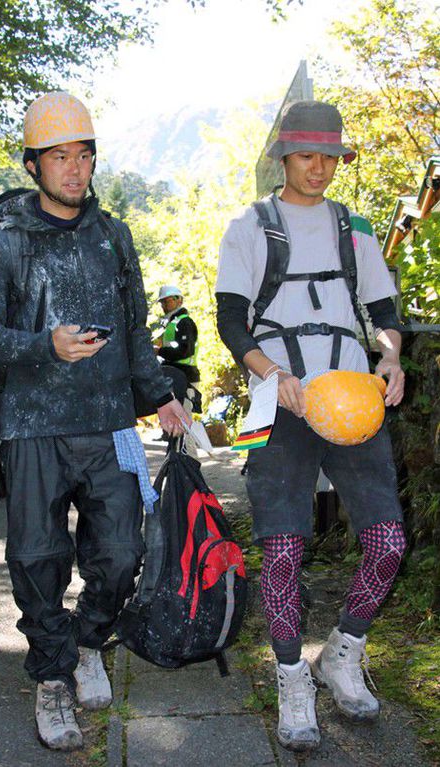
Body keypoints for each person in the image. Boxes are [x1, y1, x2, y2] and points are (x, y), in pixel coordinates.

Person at [0, 92, 190, 752]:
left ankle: (90, 640)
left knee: (123, 553)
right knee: (36, 557)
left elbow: (136, 329)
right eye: (60, 155)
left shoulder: (113, 237)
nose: (75, 168)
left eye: (84, 154)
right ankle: (53, 675)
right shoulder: (4, 247)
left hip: (111, 421)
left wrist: (160, 393)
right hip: (34, 425)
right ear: (34, 164)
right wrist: (42, 345)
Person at [215, 100, 406, 753]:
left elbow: (382, 308)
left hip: (354, 393)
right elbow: (230, 320)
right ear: (283, 158)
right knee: (283, 547)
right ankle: (292, 674)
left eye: (330, 156)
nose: (319, 168)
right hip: (273, 399)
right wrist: (269, 372)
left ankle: (344, 653)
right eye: (306, 156)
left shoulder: (355, 227)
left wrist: (390, 354)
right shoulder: (249, 226)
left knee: (387, 539)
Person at [153, 285, 200, 447]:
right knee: (177, 426)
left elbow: (185, 351)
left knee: (184, 425)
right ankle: (179, 466)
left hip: (186, 378)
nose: (164, 305)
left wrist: (159, 351)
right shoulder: (171, 323)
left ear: (179, 300)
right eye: (162, 302)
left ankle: (190, 466)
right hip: (175, 377)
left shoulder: (184, 322)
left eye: (167, 301)